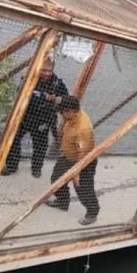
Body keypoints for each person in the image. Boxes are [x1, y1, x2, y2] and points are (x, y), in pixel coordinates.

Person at [2, 58, 68, 178]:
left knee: (40, 146)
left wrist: (58, 99)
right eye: (44, 70)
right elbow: (22, 93)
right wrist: (44, 96)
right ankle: (11, 166)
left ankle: (36, 168)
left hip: (43, 120)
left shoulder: (57, 83)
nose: (47, 73)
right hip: (24, 117)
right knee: (13, 140)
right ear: (38, 68)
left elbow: (66, 98)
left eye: (49, 71)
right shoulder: (29, 79)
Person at [45, 96, 100, 226]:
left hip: (84, 162)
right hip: (69, 157)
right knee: (56, 180)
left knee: (83, 189)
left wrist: (76, 172)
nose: (61, 115)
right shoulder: (72, 117)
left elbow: (84, 153)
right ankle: (63, 202)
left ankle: (92, 213)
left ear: (70, 112)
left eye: (62, 112)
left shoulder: (83, 129)